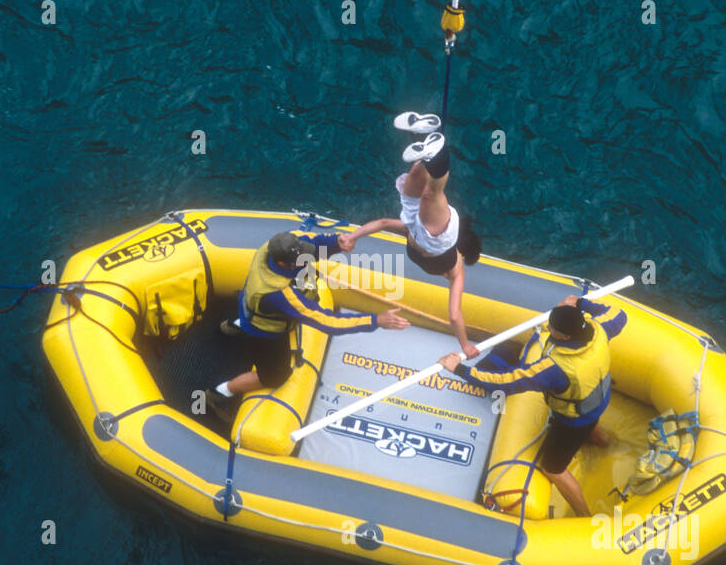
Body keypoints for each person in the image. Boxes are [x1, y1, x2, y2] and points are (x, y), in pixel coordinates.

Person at [438, 294, 628, 517]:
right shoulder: (599, 329)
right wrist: (581, 302)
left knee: (553, 469)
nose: (548, 327)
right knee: (589, 424)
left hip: (571, 421)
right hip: (597, 399)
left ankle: (584, 516)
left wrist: (460, 369)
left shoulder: (555, 368)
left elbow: (507, 382)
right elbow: (619, 314)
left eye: (553, 328)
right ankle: (606, 444)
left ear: (565, 336)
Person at [211, 231, 410, 411]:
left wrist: (336, 243)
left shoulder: (273, 246)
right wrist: (375, 320)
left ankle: (231, 326)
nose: (306, 257)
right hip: (264, 332)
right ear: (284, 264)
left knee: (252, 315)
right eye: (300, 259)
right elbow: (326, 321)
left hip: (249, 304)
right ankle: (221, 392)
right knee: (273, 376)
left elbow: (311, 245)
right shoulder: (279, 295)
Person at [339, 112, 483, 358]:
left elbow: (383, 223)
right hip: (437, 237)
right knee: (433, 191)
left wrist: (354, 236)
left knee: (417, 172)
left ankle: (425, 132)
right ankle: (439, 150)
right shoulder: (456, 270)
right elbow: (454, 316)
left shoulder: (411, 233)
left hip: (415, 225)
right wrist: (465, 345)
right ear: (460, 250)